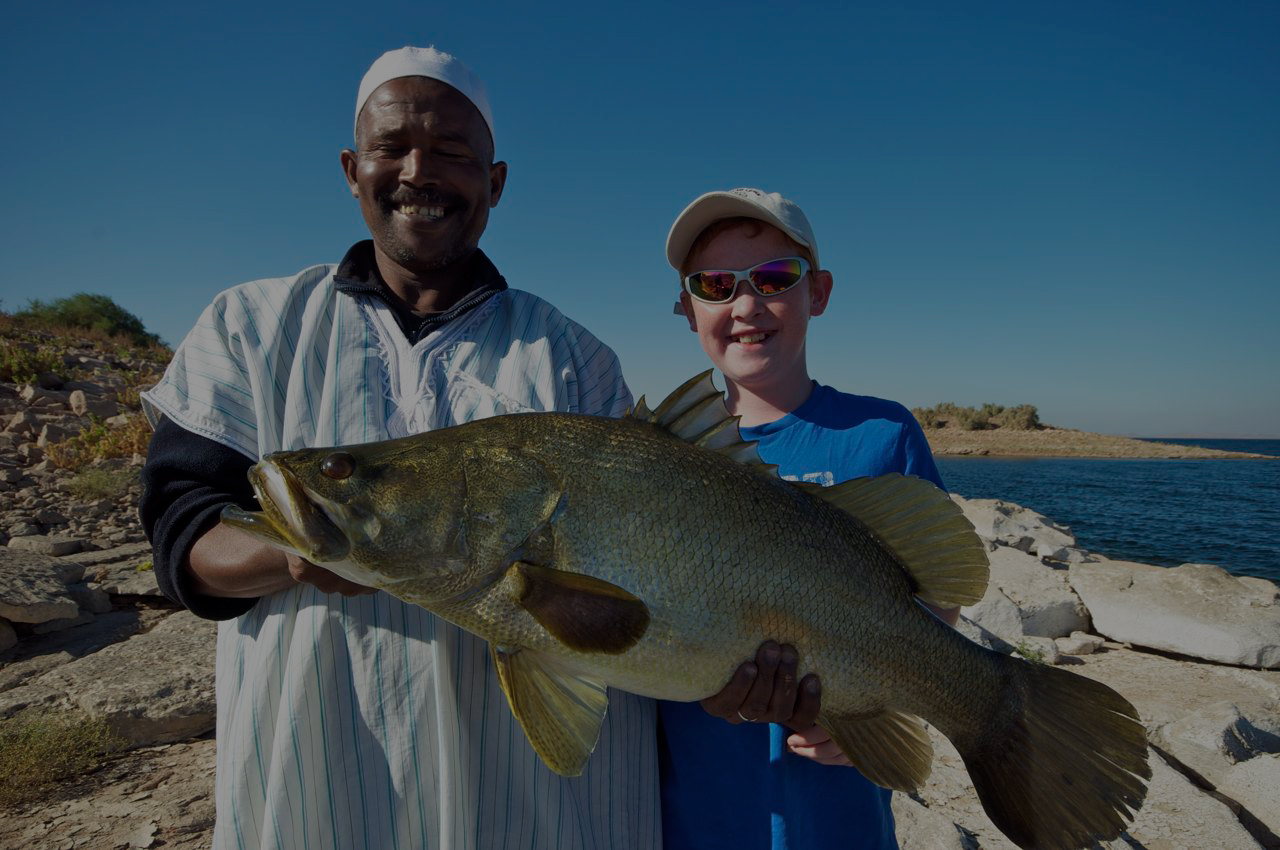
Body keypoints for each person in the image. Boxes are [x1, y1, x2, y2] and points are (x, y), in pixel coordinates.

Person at [138, 46, 659, 849]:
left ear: (496, 181)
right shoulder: (247, 327)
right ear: (353, 169)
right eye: (391, 149)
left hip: (542, 815)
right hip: (317, 796)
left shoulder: (574, 357)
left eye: (453, 152)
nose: (420, 171)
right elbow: (182, 528)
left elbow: (653, 556)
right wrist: (293, 558)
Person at [657, 188, 960, 850]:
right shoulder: (662, 459)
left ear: (817, 291)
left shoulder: (880, 433)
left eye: (773, 277)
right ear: (687, 308)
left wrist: (877, 710)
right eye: (713, 284)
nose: (745, 305)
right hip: (698, 823)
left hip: (839, 824)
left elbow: (937, 597)